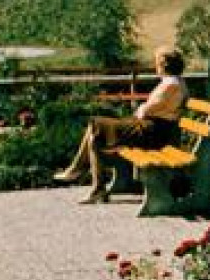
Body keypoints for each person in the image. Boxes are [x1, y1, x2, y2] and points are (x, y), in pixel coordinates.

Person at [55, 47, 187, 204]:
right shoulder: (173, 82)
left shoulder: (171, 84)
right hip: (150, 128)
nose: (155, 65)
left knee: (96, 127)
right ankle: (89, 181)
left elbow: (147, 109)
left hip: (151, 132)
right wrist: (143, 110)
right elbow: (151, 108)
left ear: (164, 64)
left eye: (157, 62)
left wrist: (142, 109)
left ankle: (82, 175)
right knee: (94, 133)